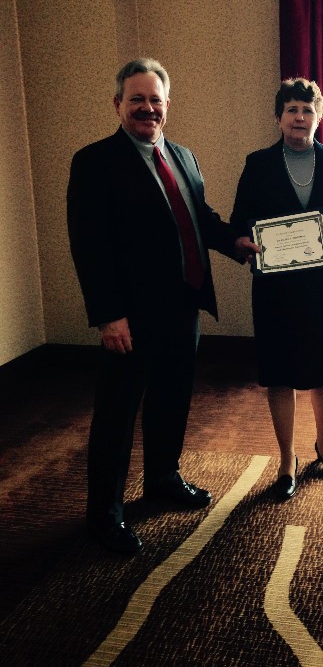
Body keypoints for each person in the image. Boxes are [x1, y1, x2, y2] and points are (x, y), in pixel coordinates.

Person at [67, 58, 259, 554]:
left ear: (167, 106)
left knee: (172, 400)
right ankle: (104, 516)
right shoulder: (94, 162)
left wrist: (236, 242)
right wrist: (109, 315)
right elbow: (89, 246)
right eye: (137, 99)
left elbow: (200, 219)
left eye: (155, 100)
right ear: (117, 104)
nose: (147, 109)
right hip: (131, 317)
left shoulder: (184, 157)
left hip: (184, 307)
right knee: (117, 414)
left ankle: (162, 479)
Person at [230, 78, 323, 501]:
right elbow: (239, 223)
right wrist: (242, 243)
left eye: (307, 111)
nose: (300, 118)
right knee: (280, 373)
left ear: (318, 117)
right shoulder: (257, 164)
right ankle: (287, 457)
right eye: (292, 110)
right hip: (276, 289)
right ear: (278, 117)